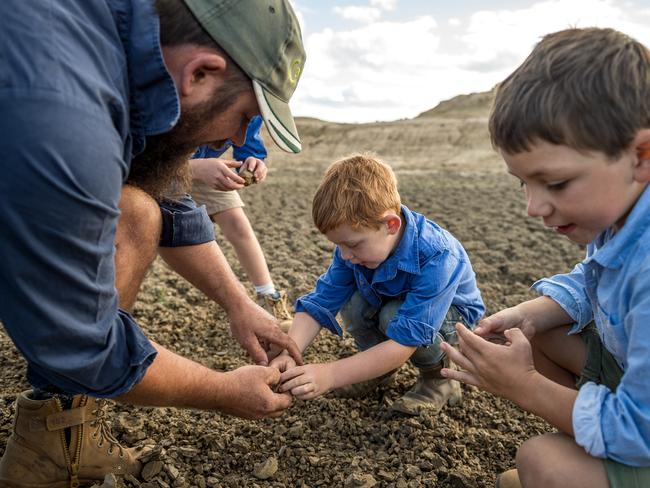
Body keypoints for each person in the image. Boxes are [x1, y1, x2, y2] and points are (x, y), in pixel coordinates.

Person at [0, 0, 305, 483]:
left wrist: (239, 304)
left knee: (138, 212)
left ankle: (55, 438)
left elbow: (167, 195)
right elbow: (86, 345)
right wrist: (222, 390)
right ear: (202, 73)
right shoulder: (63, 115)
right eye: (246, 115)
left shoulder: (111, 49)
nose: (240, 136)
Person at [440, 28, 650, 488]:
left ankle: (573, 469)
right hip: (634, 386)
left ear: (640, 155)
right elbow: (595, 277)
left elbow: (642, 429)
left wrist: (524, 386)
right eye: (524, 184)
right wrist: (530, 314)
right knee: (535, 334)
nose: (534, 207)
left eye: (554, 184)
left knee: (539, 462)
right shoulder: (626, 215)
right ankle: (584, 458)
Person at [270, 154, 485, 415]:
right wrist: (289, 352)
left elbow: (404, 342)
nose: (345, 255)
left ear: (390, 224)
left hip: (451, 321)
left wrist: (331, 374)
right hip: (394, 306)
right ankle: (375, 371)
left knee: (392, 316)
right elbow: (321, 302)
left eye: (352, 244)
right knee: (353, 301)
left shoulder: (437, 255)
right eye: (338, 245)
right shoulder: (355, 252)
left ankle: (440, 380)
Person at [189, 116, 293, 331]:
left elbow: (248, 147)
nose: (238, 138)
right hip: (159, 171)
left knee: (237, 222)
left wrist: (254, 162)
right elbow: (144, 159)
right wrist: (194, 167)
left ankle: (268, 296)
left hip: (204, 171)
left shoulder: (250, 112)